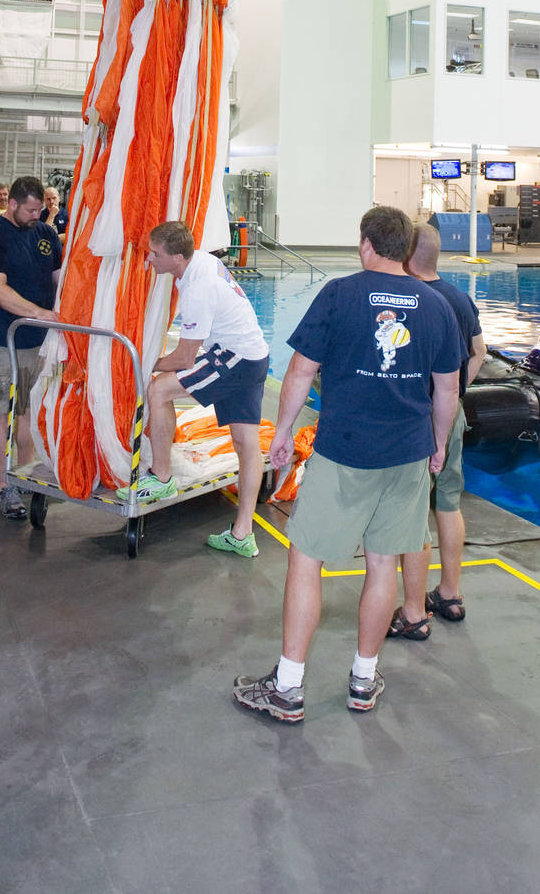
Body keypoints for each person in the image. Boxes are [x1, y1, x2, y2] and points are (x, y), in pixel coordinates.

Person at [233, 206, 461, 723]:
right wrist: (439, 442)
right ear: (404, 250)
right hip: (407, 455)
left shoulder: (339, 294)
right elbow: (446, 388)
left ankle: (288, 687)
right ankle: (363, 678)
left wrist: (285, 432)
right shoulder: (436, 304)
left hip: (343, 452)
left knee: (307, 559)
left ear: (365, 245)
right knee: (383, 563)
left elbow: (299, 369)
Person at [115, 220, 270, 558]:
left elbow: (185, 358)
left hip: (235, 358)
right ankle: (243, 533)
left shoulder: (197, 288)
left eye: (155, 254)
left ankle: (162, 475)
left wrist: (144, 363)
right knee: (246, 444)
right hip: (254, 353)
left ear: (177, 258)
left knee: (159, 390)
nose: (149, 260)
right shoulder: (202, 260)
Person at [391, 222, 486, 635]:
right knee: (449, 502)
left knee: (411, 510)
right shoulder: (460, 298)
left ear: (407, 256)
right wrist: (456, 391)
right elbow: (478, 352)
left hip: (417, 417)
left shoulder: (413, 301)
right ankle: (450, 593)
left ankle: (413, 611)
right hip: (453, 411)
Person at [0, 177, 62, 518]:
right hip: (3, 338)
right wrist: (40, 313)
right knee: (4, 413)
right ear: (12, 204)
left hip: (39, 340)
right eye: (31, 209)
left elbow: (58, 279)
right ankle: (4, 485)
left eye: (41, 209)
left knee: (28, 412)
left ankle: (28, 477)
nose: (37, 214)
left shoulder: (45, 233)